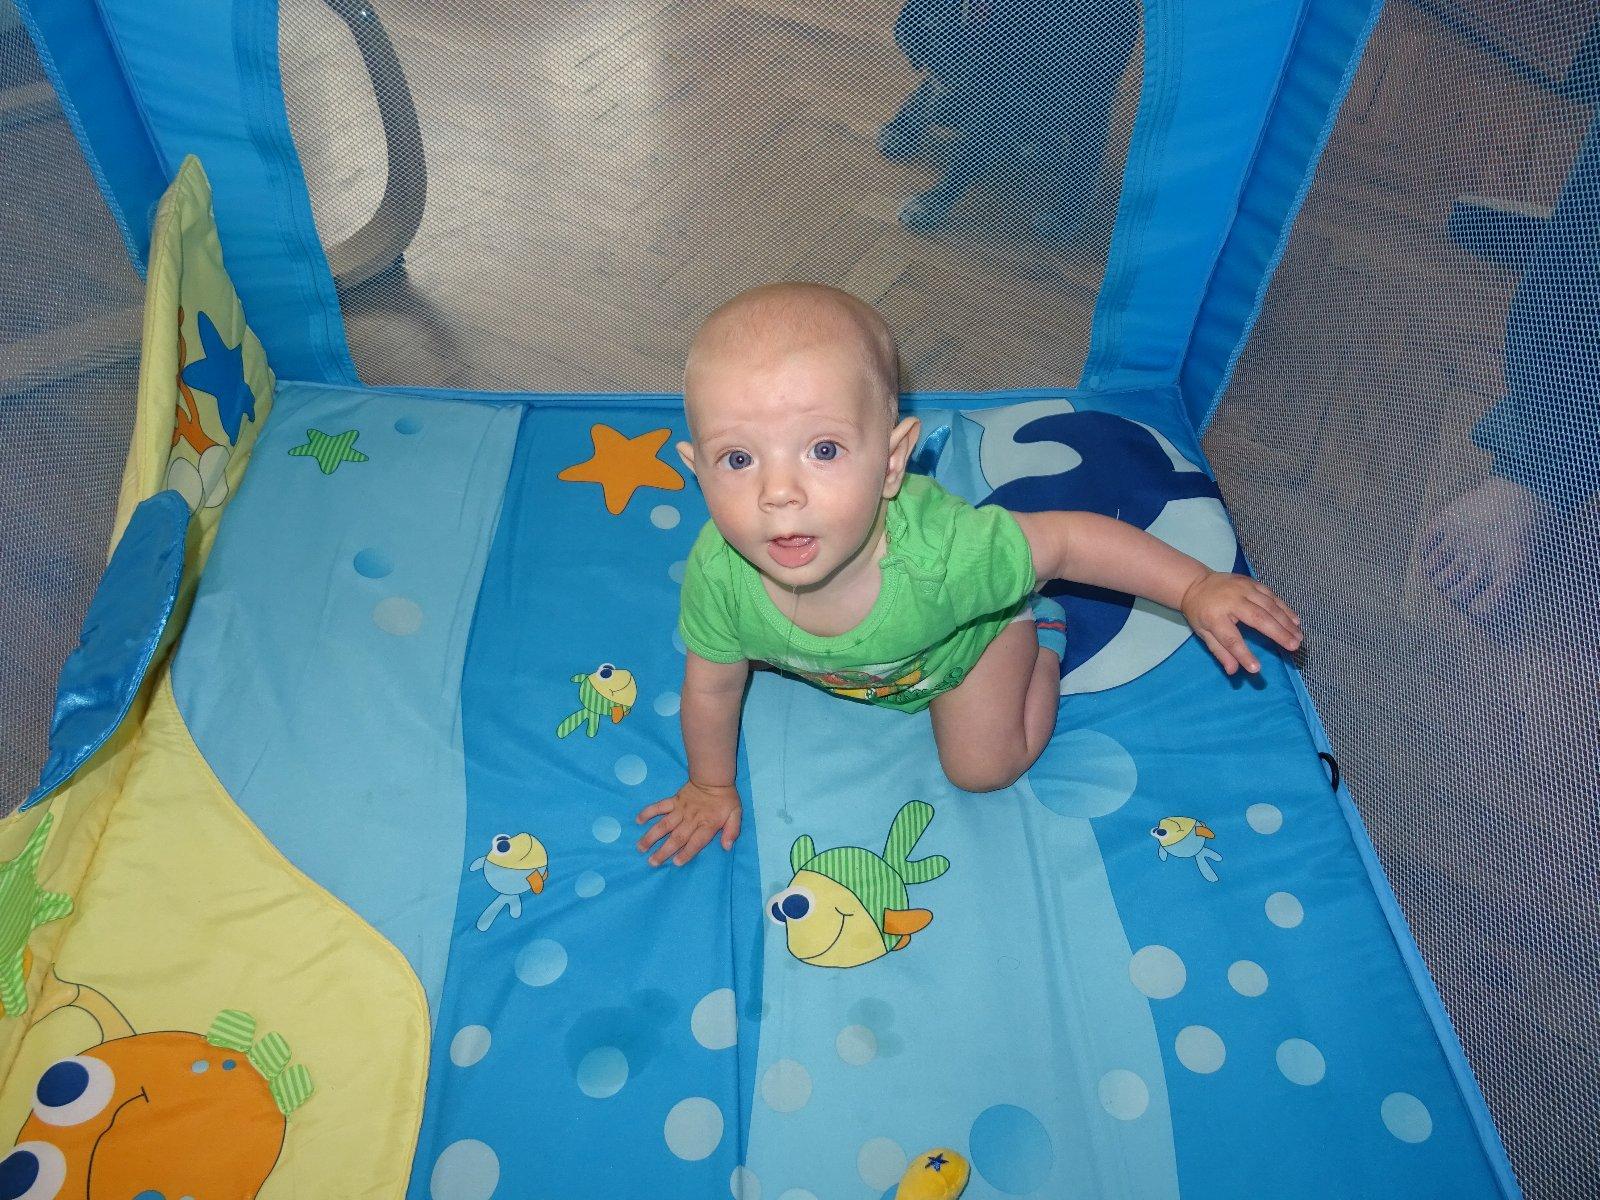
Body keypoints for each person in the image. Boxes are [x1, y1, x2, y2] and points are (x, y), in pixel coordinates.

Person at [635, 283, 1302, 867]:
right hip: (873, 665)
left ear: (892, 461)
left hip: (966, 643)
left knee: (984, 769)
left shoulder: (949, 557)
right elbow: (712, 688)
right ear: (697, 471)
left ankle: (1041, 636)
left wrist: (1194, 587)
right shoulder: (720, 575)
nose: (779, 493)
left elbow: (1069, 542)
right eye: (739, 460)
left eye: (824, 449)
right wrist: (711, 785)